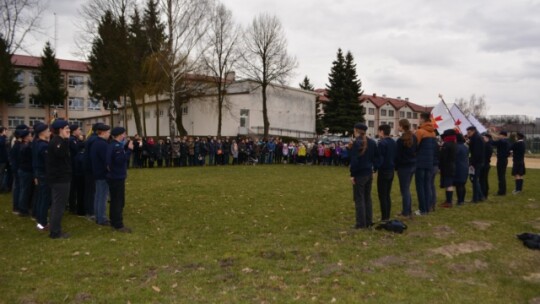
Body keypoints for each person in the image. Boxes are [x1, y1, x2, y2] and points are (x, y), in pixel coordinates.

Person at [349, 123, 378, 229]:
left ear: (356, 131)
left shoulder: (357, 143)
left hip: (360, 174)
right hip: (369, 173)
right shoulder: (372, 142)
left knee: (359, 198)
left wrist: (352, 174)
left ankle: (361, 223)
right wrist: (374, 169)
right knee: (367, 198)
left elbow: (354, 160)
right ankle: (368, 221)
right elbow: (376, 158)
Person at [46, 120, 72, 239]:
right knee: (58, 206)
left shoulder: (60, 141)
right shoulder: (58, 142)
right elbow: (61, 155)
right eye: (66, 128)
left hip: (60, 178)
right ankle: (55, 232)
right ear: (60, 129)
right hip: (59, 179)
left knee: (58, 204)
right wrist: (66, 139)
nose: (69, 130)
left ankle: (55, 230)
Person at [107, 127, 133, 233]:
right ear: (119, 135)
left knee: (114, 199)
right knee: (118, 200)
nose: (125, 136)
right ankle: (118, 224)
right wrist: (129, 150)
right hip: (116, 177)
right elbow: (120, 160)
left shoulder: (112, 145)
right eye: (123, 134)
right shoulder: (116, 146)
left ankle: (113, 220)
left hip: (114, 176)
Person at [415, 113, 437, 215]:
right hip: (430, 162)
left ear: (423, 119)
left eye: (419, 118)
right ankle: (427, 207)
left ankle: (422, 209)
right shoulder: (433, 133)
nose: (418, 120)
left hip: (420, 162)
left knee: (420, 186)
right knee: (427, 185)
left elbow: (415, 147)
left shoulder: (420, 132)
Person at [395, 119, 417, 218]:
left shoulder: (401, 140)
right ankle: (408, 210)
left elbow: (398, 155)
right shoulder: (414, 137)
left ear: (402, 126)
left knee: (404, 190)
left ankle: (406, 212)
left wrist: (396, 166)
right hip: (412, 165)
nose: (397, 127)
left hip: (404, 167)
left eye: (398, 125)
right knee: (406, 189)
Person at [90, 124, 111, 226]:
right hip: (103, 173)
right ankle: (101, 218)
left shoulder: (95, 142)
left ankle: (98, 215)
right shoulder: (103, 144)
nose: (109, 134)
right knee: (102, 196)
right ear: (102, 132)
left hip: (97, 172)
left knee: (98, 195)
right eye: (108, 132)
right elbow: (106, 161)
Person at [376, 124, 396, 221]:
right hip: (391, 170)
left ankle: (384, 217)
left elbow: (380, 158)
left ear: (382, 132)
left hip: (384, 171)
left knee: (382, 194)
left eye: (379, 131)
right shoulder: (393, 142)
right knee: (387, 194)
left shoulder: (382, 143)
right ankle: (387, 215)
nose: (378, 133)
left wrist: (375, 168)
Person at [33, 123, 51, 230]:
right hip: (44, 174)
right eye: (48, 130)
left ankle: (39, 220)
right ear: (42, 133)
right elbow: (47, 162)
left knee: (41, 197)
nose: (49, 132)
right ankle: (42, 223)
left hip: (39, 173)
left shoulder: (36, 143)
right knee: (44, 198)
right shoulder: (43, 145)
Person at [17, 130, 34, 217]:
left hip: (23, 170)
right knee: (25, 190)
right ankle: (23, 209)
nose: (31, 137)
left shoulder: (23, 145)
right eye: (30, 135)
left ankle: (23, 207)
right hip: (26, 171)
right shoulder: (26, 147)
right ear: (26, 138)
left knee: (24, 189)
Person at [466, 126, 485, 202]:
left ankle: (475, 198)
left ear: (473, 131)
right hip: (477, 162)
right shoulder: (476, 137)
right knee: (474, 179)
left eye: (469, 132)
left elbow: (476, 152)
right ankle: (480, 196)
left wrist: (472, 163)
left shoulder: (476, 138)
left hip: (476, 162)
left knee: (474, 179)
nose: (468, 134)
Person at [68, 125, 84, 215]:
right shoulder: (72, 140)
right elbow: (76, 148)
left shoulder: (75, 140)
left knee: (74, 187)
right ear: (74, 131)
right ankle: (72, 206)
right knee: (73, 188)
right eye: (78, 130)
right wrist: (81, 142)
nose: (80, 131)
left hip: (75, 166)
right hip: (73, 166)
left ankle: (73, 204)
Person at [439, 129, 457, 208]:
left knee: (448, 184)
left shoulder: (447, 144)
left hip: (447, 166)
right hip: (452, 165)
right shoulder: (454, 144)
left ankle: (449, 201)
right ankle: (448, 200)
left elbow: (443, 157)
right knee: (449, 184)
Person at [491, 131, 511, 195]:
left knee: (501, 176)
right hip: (504, 160)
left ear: (503, 135)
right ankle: (502, 191)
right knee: (502, 176)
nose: (499, 136)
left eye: (500, 135)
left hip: (501, 160)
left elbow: (493, 142)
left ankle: (501, 191)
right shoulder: (506, 141)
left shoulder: (502, 141)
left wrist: (491, 134)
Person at [454, 133, 469, 205]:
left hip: (458, 167)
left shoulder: (457, 147)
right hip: (465, 166)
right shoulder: (465, 147)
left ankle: (460, 200)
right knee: (462, 184)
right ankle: (462, 199)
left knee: (459, 185)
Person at [480, 133, 493, 199]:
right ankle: (484, 193)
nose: (482, 139)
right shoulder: (487, 145)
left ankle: (484, 194)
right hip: (486, 164)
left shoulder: (487, 146)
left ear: (487, 138)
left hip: (485, 165)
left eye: (484, 137)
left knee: (483, 180)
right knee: (484, 179)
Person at [0, 126, 8, 193]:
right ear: (3, 131)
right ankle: (2, 188)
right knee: (2, 174)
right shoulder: (2, 139)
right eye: (5, 131)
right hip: (2, 159)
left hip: (2, 159)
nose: (7, 132)